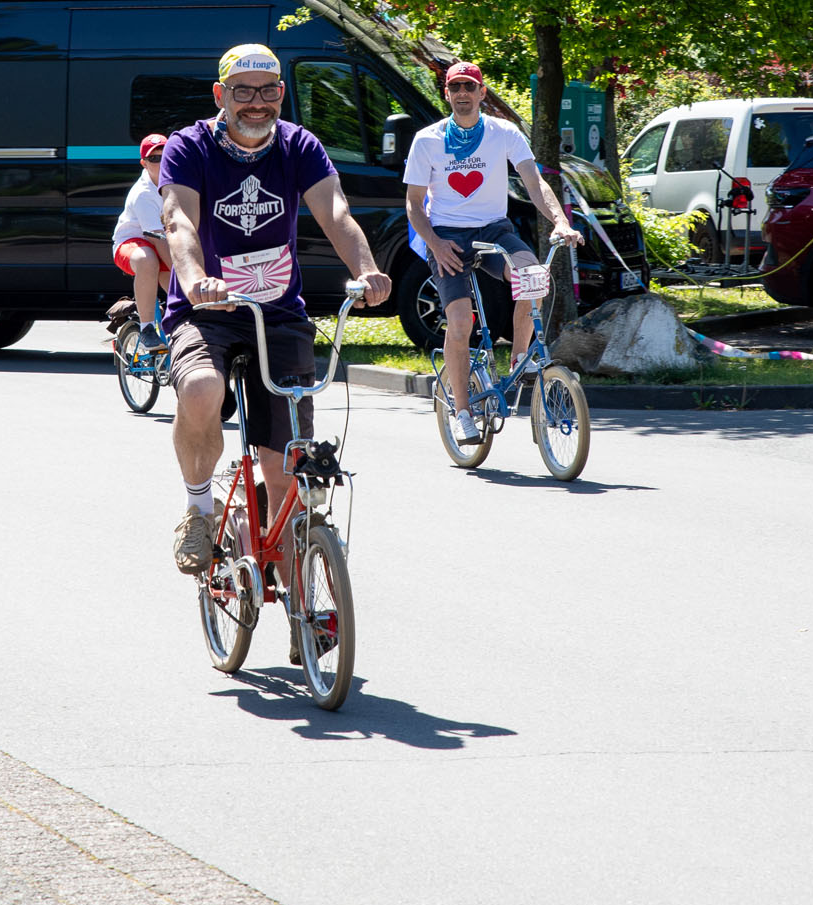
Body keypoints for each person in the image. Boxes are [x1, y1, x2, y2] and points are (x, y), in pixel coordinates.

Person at [162, 44, 391, 576]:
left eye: (268, 91)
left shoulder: (299, 146)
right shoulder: (189, 147)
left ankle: (300, 611)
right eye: (242, 91)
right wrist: (196, 280)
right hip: (207, 311)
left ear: (282, 95)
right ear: (221, 95)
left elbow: (335, 211)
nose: (256, 103)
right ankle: (198, 509)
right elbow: (179, 222)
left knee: (286, 470)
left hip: (279, 312)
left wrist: (366, 268)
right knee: (200, 388)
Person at [402, 60, 582, 445]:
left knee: (533, 276)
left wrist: (560, 222)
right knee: (460, 324)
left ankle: (520, 358)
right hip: (447, 234)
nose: (463, 94)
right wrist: (434, 243)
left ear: (483, 93)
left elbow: (535, 183)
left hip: (493, 229)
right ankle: (463, 412)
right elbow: (414, 205)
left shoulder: (504, 133)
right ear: (447, 94)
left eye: (470, 87)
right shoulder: (428, 140)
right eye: (456, 88)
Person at [110, 133, 173, 350]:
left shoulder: (179, 182)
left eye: (165, 157)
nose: (161, 162)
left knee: (184, 294)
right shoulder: (143, 194)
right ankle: (147, 329)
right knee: (149, 262)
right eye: (154, 159)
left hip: (164, 241)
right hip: (132, 243)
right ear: (143, 163)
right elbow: (155, 239)